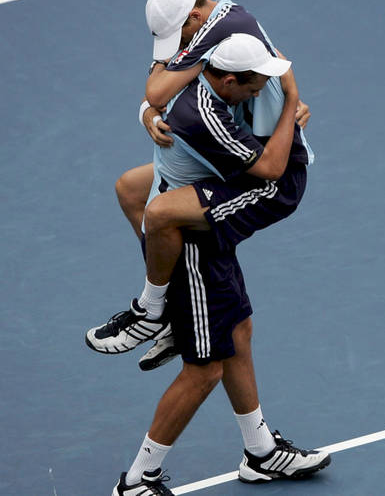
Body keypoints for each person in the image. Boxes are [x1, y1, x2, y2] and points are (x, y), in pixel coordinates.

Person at [109, 34, 330, 495]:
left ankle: (261, 452)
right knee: (205, 368)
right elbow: (272, 171)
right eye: (254, 89)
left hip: (205, 227)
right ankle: (136, 481)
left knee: (238, 332)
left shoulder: (198, 86)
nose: (258, 96)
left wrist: (147, 112)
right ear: (228, 81)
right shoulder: (204, 115)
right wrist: (290, 100)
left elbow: (136, 165)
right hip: (195, 247)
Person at [86, 0, 314, 371]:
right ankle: (171, 305)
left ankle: (152, 309)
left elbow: (158, 90)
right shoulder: (209, 40)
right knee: (130, 189)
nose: (178, 48)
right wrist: (148, 114)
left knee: (162, 214)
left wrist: (291, 98)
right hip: (228, 149)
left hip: (262, 168)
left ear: (194, 17)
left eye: (180, 37)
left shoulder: (225, 34)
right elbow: (158, 94)